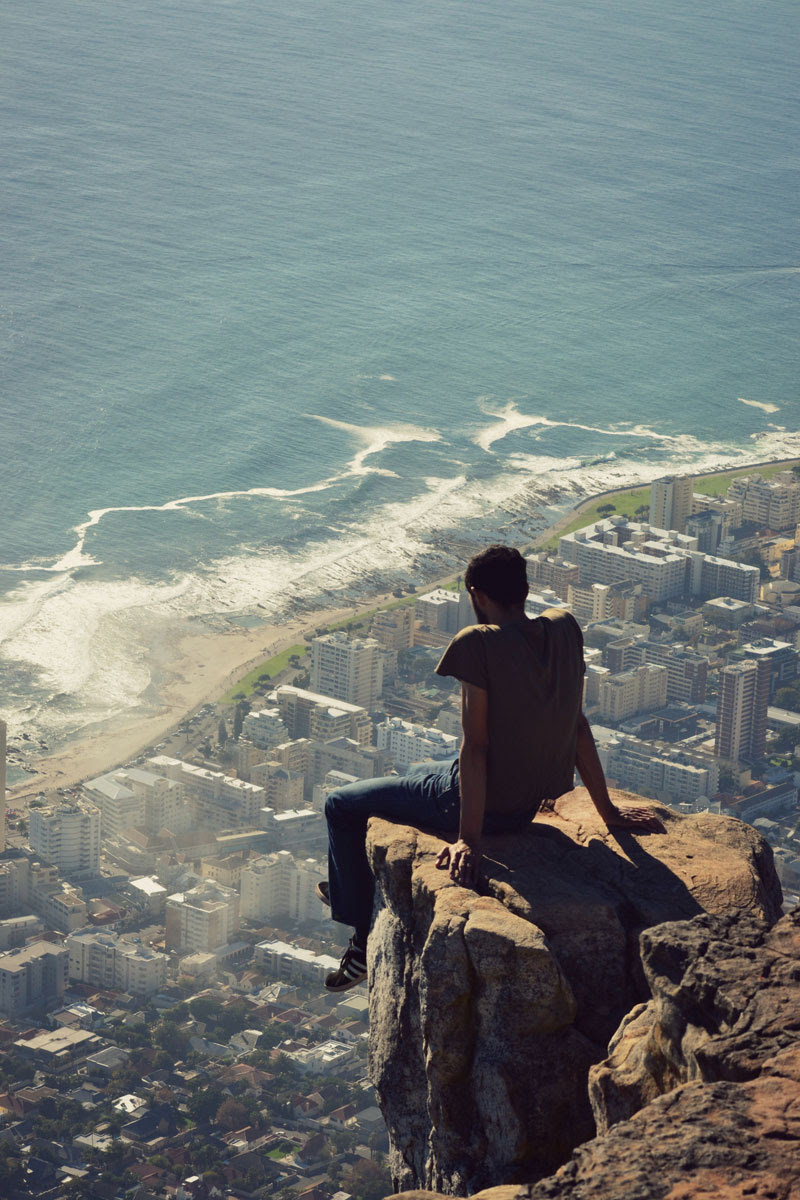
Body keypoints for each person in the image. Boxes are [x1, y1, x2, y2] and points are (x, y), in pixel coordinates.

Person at [318, 545, 662, 991]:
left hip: (475, 804)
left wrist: (468, 840)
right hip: (524, 806)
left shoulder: (477, 643)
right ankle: (350, 882)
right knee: (422, 767)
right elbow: (578, 727)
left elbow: (475, 748)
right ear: (525, 589)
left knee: (340, 805)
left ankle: (359, 932)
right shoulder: (563, 628)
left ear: (477, 595)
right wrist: (607, 811)